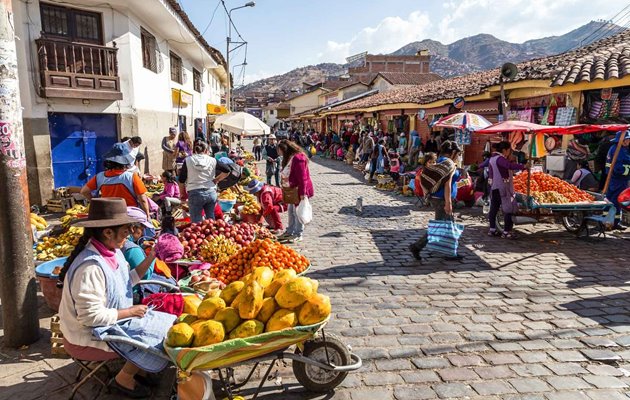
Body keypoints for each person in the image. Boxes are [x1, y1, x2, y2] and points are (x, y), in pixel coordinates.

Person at [57, 198, 175, 398]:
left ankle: (143, 368)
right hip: (87, 336)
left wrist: (152, 255)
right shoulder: (90, 267)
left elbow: (125, 282)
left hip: (112, 323)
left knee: (170, 324)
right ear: (107, 232)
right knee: (159, 338)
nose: (129, 234)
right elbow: (90, 318)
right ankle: (124, 379)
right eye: (125, 230)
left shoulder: (113, 252)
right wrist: (130, 312)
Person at [409, 141, 463, 260]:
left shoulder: (439, 161)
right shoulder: (448, 163)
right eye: (458, 154)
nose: (458, 156)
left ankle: (451, 252)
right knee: (441, 226)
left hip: (438, 198)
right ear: (453, 152)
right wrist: (448, 203)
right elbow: (447, 185)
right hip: (442, 199)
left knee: (447, 225)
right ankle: (417, 246)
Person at [81, 143, 151, 217]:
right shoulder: (132, 177)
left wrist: (96, 201)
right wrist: (147, 215)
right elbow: (142, 199)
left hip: (108, 215)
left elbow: (84, 191)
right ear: (125, 161)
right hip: (128, 215)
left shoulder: (99, 177)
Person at [482, 142, 528, 239]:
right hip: (502, 188)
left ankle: (492, 230)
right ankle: (506, 232)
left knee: (493, 209)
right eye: (509, 151)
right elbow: (509, 166)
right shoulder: (500, 159)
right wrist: (523, 166)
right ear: (505, 150)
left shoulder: (492, 159)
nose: (509, 153)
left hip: (494, 187)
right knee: (508, 209)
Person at [179, 141, 230, 223]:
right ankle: (212, 234)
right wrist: (217, 179)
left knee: (196, 223)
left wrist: (183, 193)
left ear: (194, 150)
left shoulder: (188, 160)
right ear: (206, 150)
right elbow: (227, 170)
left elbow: (181, 180)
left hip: (194, 193)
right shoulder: (212, 160)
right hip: (210, 192)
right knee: (211, 220)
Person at [277, 140, 314, 243]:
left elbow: (303, 178)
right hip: (293, 190)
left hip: (299, 190)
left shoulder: (298, 158)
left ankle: (298, 233)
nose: (279, 152)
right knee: (290, 211)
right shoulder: (291, 158)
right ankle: (290, 231)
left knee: (297, 212)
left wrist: (303, 194)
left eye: (280, 150)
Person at [605, 130, 630, 230]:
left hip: (615, 179)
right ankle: (613, 223)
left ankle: (608, 221)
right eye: (628, 139)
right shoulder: (618, 150)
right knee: (616, 201)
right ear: (623, 140)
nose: (629, 142)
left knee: (610, 200)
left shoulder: (618, 149)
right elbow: (619, 168)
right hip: (618, 180)